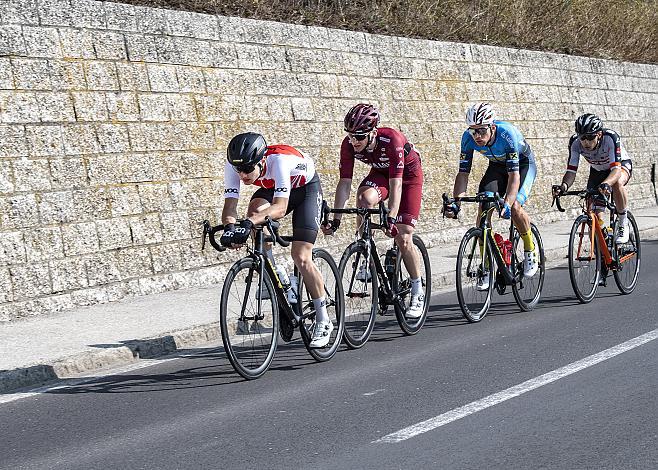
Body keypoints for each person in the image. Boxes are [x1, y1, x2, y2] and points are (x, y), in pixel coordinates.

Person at [220, 132, 332, 348]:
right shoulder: (234, 164)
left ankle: (323, 319)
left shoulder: (279, 161)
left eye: (247, 170)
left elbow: (279, 208)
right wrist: (229, 230)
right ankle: (275, 272)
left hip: (306, 191)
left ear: (261, 161)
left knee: (300, 255)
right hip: (275, 189)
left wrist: (249, 223)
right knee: (254, 210)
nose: (242, 175)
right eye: (238, 170)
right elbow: (230, 206)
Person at [321, 103, 425, 317]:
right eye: (350, 135)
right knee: (364, 198)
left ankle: (417, 289)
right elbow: (345, 183)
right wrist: (336, 217)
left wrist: (392, 217)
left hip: (408, 177)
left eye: (359, 136)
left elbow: (397, 184)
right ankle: (365, 251)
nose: (354, 141)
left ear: (373, 133)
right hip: (381, 173)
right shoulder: (348, 145)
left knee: (403, 237)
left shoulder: (392, 140)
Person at [443, 102, 539, 289]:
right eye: (473, 131)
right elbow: (463, 174)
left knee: (515, 207)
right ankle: (486, 267)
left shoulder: (507, 134)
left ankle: (530, 250)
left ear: (492, 127)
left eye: (481, 131)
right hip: (496, 167)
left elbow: (514, 176)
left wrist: (508, 202)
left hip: (522, 165)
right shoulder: (468, 138)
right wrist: (457, 203)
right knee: (483, 207)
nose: (477, 136)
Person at [552, 113, 632, 243]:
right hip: (597, 171)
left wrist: (606, 184)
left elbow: (616, 171)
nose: (585, 142)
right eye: (582, 137)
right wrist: (563, 186)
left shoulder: (610, 138)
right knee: (594, 217)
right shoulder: (575, 143)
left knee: (617, 183)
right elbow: (571, 171)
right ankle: (603, 254)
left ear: (599, 134)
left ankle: (623, 222)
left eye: (590, 137)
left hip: (619, 166)